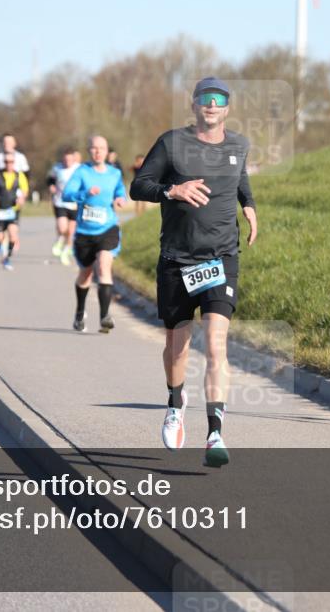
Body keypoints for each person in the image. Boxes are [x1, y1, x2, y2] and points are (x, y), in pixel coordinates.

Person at [130, 76, 257, 468]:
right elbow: (139, 185)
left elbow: (241, 177)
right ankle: (174, 400)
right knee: (177, 346)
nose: (212, 105)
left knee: (217, 345)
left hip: (221, 258)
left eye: (219, 99)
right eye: (206, 98)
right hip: (178, 260)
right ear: (195, 105)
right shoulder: (172, 143)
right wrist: (173, 191)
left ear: (227, 107)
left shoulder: (238, 145)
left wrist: (249, 205)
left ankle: (215, 432)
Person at [62, 136, 126, 333]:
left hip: (107, 228)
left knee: (104, 265)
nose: (98, 152)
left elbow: (120, 190)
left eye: (101, 148)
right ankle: (80, 311)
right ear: (89, 151)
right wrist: (85, 193)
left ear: (107, 152)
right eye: (94, 148)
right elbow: (66, 194)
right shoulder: (82, 172)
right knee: (86, 273)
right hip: (84, 233)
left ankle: (104, 316)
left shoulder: (114, 173)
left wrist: (120, 198)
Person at [0, 152, 29, 271]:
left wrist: (22, 198)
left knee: (13, 236)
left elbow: (25, 190)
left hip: (13, 210)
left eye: (11, 162)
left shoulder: (19, 176)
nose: (9, 164)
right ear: (3, 163)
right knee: (0, 237)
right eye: (7, 162)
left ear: (14, 163)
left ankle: (6, 258)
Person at [46, 146, 80, 265]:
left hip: (74, 204)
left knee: (71, 231)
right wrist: (51, 186)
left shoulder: (78, 169)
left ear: (74, 159)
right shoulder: (57, 168)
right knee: (62, 228)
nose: (67, 162)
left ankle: (66, 251)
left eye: (70, 160)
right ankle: (60, 238)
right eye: (65, 160)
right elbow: (50, 178)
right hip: (60, 201)